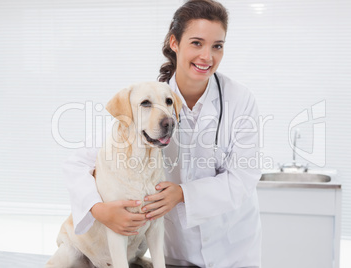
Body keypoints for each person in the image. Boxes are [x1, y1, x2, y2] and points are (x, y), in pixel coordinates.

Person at [63, 0, 262, 267]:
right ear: (174, 43)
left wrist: (182, 194)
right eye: (196, 43)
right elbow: (79, 163)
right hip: (175, 249)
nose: (207, 56)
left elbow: (244, 176)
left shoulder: (240, 99)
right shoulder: (144, 101)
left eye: (217, 46)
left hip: (233, 248)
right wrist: (100, 211)